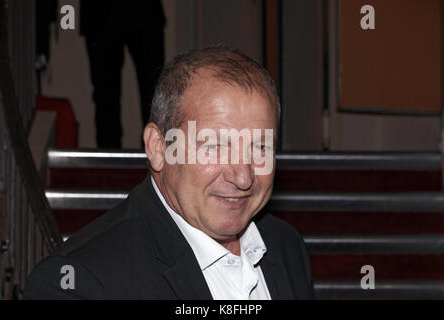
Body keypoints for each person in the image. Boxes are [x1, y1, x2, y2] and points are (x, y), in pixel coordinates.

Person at [23, 46, 314, 300]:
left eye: (260, 147)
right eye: (214, 146)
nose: (244, 177)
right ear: (158, 148)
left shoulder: (285, 246)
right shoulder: (79, 283)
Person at [80, 0, 166, 148]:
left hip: (141, 11)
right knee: (105, 93)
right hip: (101, 14)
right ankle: (109, 157)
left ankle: (152, 151)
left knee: (153, 90)